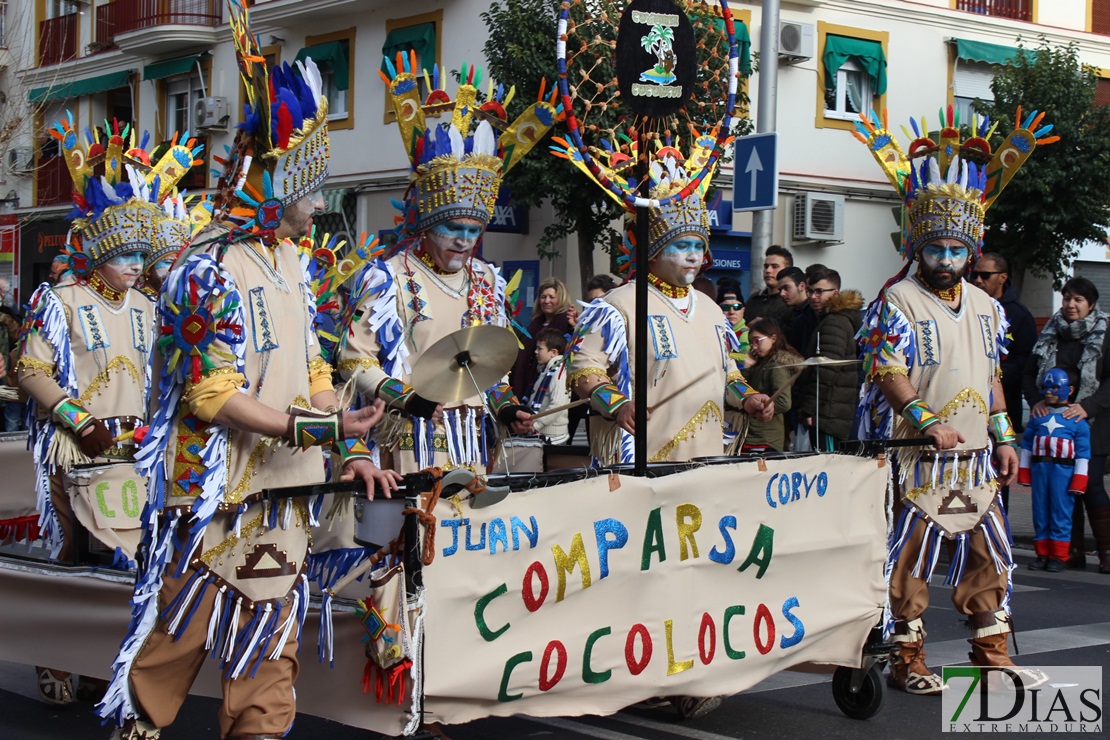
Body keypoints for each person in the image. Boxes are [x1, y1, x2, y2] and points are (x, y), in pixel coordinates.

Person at [99, 7, 399, 737]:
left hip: (287, 494)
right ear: (278, 178)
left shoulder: (297, 264)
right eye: (311, 188)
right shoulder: (206, 266)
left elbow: (317, 363)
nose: (321, 203)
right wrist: (318, 425)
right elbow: (211, 393)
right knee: (173, 651)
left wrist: (349, 442)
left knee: (272, 666)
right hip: (214, 499)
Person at [855, 106, 1056, 694]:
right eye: (936, 249)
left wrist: (1006, 438)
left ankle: (991, 651)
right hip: (917, 456)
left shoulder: (989, 307)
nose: (946, 260)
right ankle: (906, 659)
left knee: (989, 557)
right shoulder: (895, 302)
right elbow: (887, 370)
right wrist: (926, 422)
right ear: (919, 245)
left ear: (973, 250)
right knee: (909, 561)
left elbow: (993, 375)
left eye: (956, 250)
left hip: (975, 456)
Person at [15, 114, 202, 707]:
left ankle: (106, 662)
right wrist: (80, 423)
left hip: (138, 454)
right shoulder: (60, 299)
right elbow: (29, 371)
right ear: (98, 252)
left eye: (139, 254)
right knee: (69, 562)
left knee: (126, 568)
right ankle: (55, 655)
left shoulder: (151, 308)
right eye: (123, 253)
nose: (133, 263)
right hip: (78, 450)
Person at [338, 54, 561, 475]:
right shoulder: (388, 278)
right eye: (452, 227)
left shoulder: (486, 280)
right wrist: (408, 398)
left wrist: (509, 407)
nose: (463, 240)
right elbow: (355, 361)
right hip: (409, 440)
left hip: (474, 443)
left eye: (474, 230)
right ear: (426, 225)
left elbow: (486, 370)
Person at [1024, 276, 1110, 574]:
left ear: (1091, 305)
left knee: (1092, 487)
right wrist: (1036, 400)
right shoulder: (1050, 333)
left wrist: (1086, 407)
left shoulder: (1103, 334)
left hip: (1090, 422)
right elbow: (1030, 373)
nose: (1071, 305)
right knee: (1062, 490)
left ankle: (1106, 551)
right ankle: (1069, 551)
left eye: (1078, 300)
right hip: (1051, 424)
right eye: (1067, 299)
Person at [972, 251, 1037, 511]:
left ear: (1002, 278)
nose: (977, 280)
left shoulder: (1019, 315)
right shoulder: (968, 305)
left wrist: (988, 374)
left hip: (1001, 406)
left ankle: (998, 525)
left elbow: (1025, 361)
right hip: (967, 405)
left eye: (984, 275)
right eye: (974, 274)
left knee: (1000, 468)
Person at [1019, 368, 1090, 572]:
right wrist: (1024, 473)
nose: (1049, 392)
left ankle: (1059, 556)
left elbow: (1083, 454)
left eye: (1055, 387)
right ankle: (1042, 554)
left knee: (1061, 513)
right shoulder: (1038, 416)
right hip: (1041, 469)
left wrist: (1079, 480)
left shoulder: (1077, 421)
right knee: (1040, 512)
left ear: (1070, 389)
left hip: (1064, 472)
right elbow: (1026, 445)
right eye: (1046, 387)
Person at [795, 268, 862, 452]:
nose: (813, 297)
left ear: (836, 293)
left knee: (829, 466)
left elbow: (825, 370)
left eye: (819, 291)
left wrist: (809, 409)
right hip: (830, 411)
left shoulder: (835, 322)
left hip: (829, 414)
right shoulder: (830, 318)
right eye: (810, 291)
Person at [738, 318, 802, 452]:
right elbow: (743, 389)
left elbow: (784, 402)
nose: (753, 346)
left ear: (773, 338)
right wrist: (747, 368)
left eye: (757, 340)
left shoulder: (776, 365)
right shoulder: (761, 362)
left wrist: (758, 409)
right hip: (753, 435)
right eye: (751, 343)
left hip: (765, 438)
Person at [512, 277, 577, 402]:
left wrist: (574, 327)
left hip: (552, 388)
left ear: (561, 299)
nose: (546, 301)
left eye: (551, 297)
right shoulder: (534, 324)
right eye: (543, 297)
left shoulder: (567, 323)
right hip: (528, 385)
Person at [528, 328, 570, 444]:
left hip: (553, 438)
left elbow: (558, 405)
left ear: (554, 352)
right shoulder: (545, 371)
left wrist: (537, 424)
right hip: (541, 434)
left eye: (540, 349)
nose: (536, 352)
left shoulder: (558, 373)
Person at [744, 245, 793, 325]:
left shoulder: (790, 302)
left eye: (775, 266)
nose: (768, 270)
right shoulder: (754, 300)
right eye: (766, 266)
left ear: (787, 270)